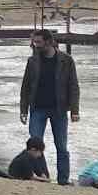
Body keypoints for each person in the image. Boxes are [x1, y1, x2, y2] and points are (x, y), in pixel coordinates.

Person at [18, 29, 80, 186]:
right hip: (37, 108)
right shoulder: (32, 61)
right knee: (34, 145)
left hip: (59, 109)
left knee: (61, 146)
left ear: (48, 42)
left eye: (38, 42)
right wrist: (23, 110)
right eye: (35, 42)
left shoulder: (66, 60)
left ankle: (63, 180)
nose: (35, 45)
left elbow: (73, 86)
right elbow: (25, 87)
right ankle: (42, 177)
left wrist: (74, 110)